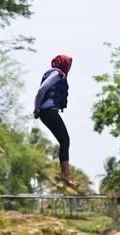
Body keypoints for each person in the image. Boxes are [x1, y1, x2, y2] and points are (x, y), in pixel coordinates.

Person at [33, 54, 77, 189]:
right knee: (65, 140)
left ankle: (65, 174)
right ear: (62, 63)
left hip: (47, 112)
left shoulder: (54, 73)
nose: (69, 67)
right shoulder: (58, 73)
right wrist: (36, 108)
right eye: (68, 64)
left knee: (64, 140)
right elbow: (42, 90)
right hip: (48, 111)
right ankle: (65, 174)